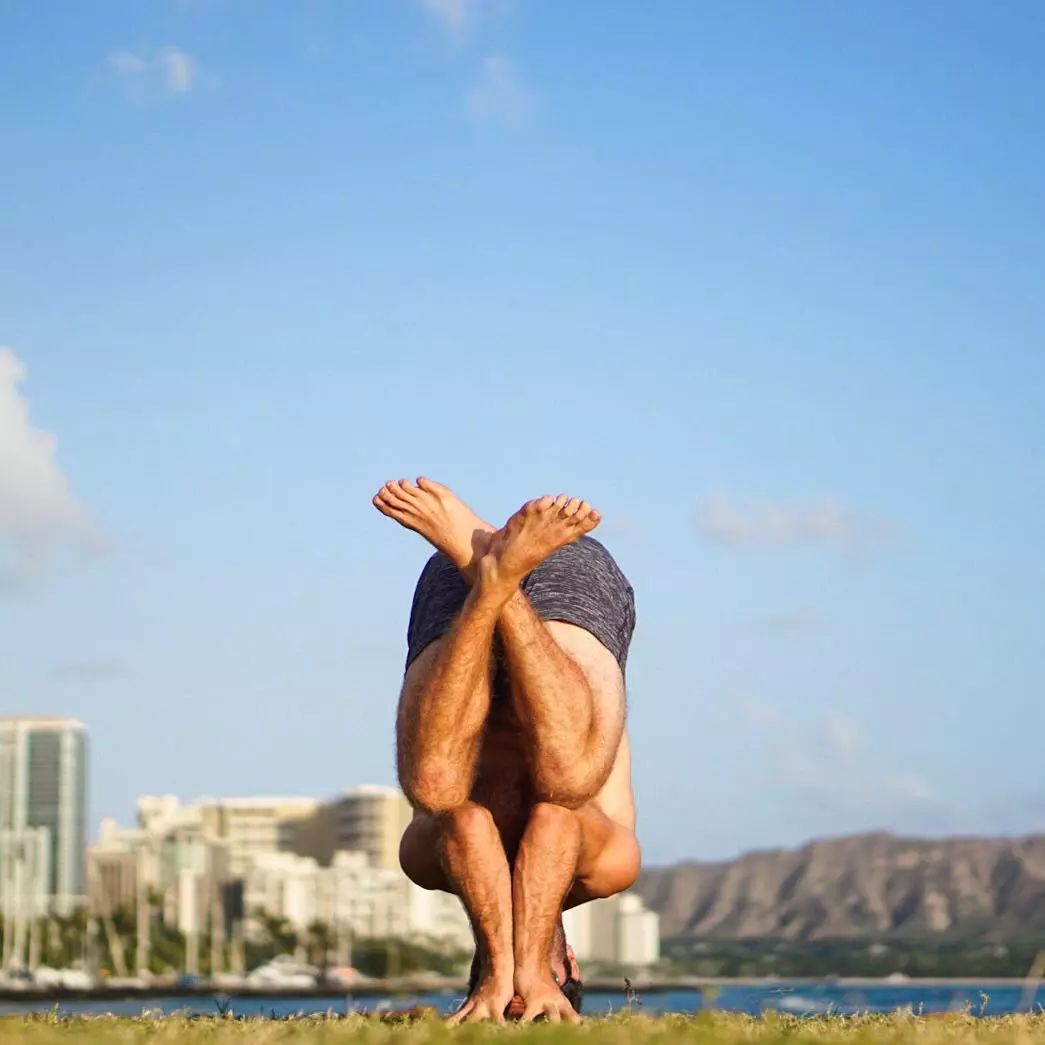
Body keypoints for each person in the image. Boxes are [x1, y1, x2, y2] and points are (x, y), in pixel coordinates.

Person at [373, 478, 639, 1023]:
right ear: (572, 964)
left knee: (437, 789)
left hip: (459, 607)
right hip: (571, 595)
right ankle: (497, 575)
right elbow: (555, 824)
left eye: (508, 1006)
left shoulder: (427, 864)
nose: (521, 996)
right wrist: (530, 973)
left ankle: (489, 579)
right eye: (541, 999)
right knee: (565, 786)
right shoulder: (607, 869)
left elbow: (466, 825)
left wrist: (505, 968)